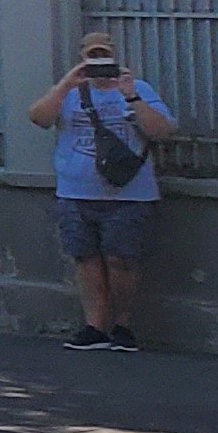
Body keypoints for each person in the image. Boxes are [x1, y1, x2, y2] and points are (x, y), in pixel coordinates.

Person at [27, 29, 175, 352]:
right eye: (92, 56)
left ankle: (123, 324)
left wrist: (131, 96)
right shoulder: (69, 92)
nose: (97, 62)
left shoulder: (138, 89)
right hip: (75, 191)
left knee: (122, 260)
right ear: (82, 58)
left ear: (114, 56)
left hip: (128, 193)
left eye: (102, 56)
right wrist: (67, 83)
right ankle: (94, 325)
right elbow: (38, 118)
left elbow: (163, 131)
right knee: (85, 259)